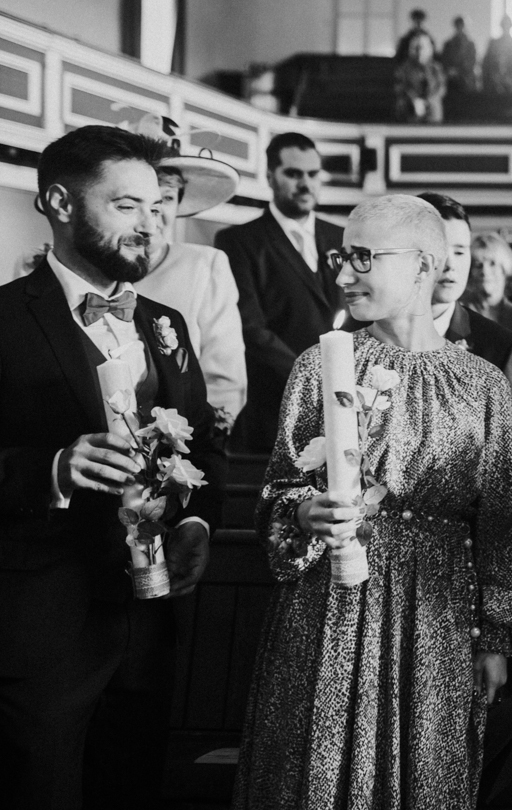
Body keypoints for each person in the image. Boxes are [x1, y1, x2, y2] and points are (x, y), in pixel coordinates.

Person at [232, 195, 512, 810]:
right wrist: (302, 513)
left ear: (423, 266)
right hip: (330, 607)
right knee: (313, 770)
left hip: (437, 614)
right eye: (342, 256)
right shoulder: (319, 366)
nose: (343, 275)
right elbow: (279, 493)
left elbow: (499, 518)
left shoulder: (484, 384)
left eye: (363, 257)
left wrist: (496, 636)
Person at [0, 126, 224, 810]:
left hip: (146, 618)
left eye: (156, 208)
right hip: (40, 621)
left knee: (131, 786)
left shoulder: (167, 325)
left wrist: (197, 528)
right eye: (126, 206)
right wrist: (56, 468)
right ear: (61, 204)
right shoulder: (4, 318)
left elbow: (203, 450)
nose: (149, 226)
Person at [216, 133, 345, 453]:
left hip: (344, 404)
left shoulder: (342, 237)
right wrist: (312, 377)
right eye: (293, 173)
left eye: (313, 175)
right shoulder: (239, 241)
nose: (305, 184)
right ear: (270, 175)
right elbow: (249, 328)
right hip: (276, 407)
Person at [131, 120, 247, 430]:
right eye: (139, 197)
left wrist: (199, 445)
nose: (153, 211)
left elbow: (225, 376)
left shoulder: (205, 265)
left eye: (166, 198)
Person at [419, 193, 512, 445]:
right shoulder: (373, 337)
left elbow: (508, 438)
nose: (450, 265)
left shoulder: (500, 344)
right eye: (439, 251)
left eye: (460, 252)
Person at [465, 230, 512, 335]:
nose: (485, 271)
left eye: (492, 264)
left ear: (504, 268)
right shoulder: (459, 313)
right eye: (478, 265)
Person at [395, 32, 446, 124]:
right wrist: (414, 100)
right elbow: (400, 87)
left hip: (432, 113)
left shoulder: (436, 68)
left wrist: (428, 102)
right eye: (416, 48)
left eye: (422, 48)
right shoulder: (404, 68)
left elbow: (441, 88)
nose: (419, 52)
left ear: (429, 49)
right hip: (409, 111)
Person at [481, 15, 512, 94]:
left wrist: (511, 78)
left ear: (511, 26)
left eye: (507, 25)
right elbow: (487, 62)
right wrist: (494, 76)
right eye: (504, 25)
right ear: (501, 26)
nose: (506, 27)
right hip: (494, 84)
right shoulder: (493, 43)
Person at [440, 16, 478, 93]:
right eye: (458, 25)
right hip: (452, 81)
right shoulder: (448, 44)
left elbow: (472, 61)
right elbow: (444, 61)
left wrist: (462, 71)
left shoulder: (470, 44)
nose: (460, 27)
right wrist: (450, 71)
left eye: (461, 25)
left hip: (467, 81)